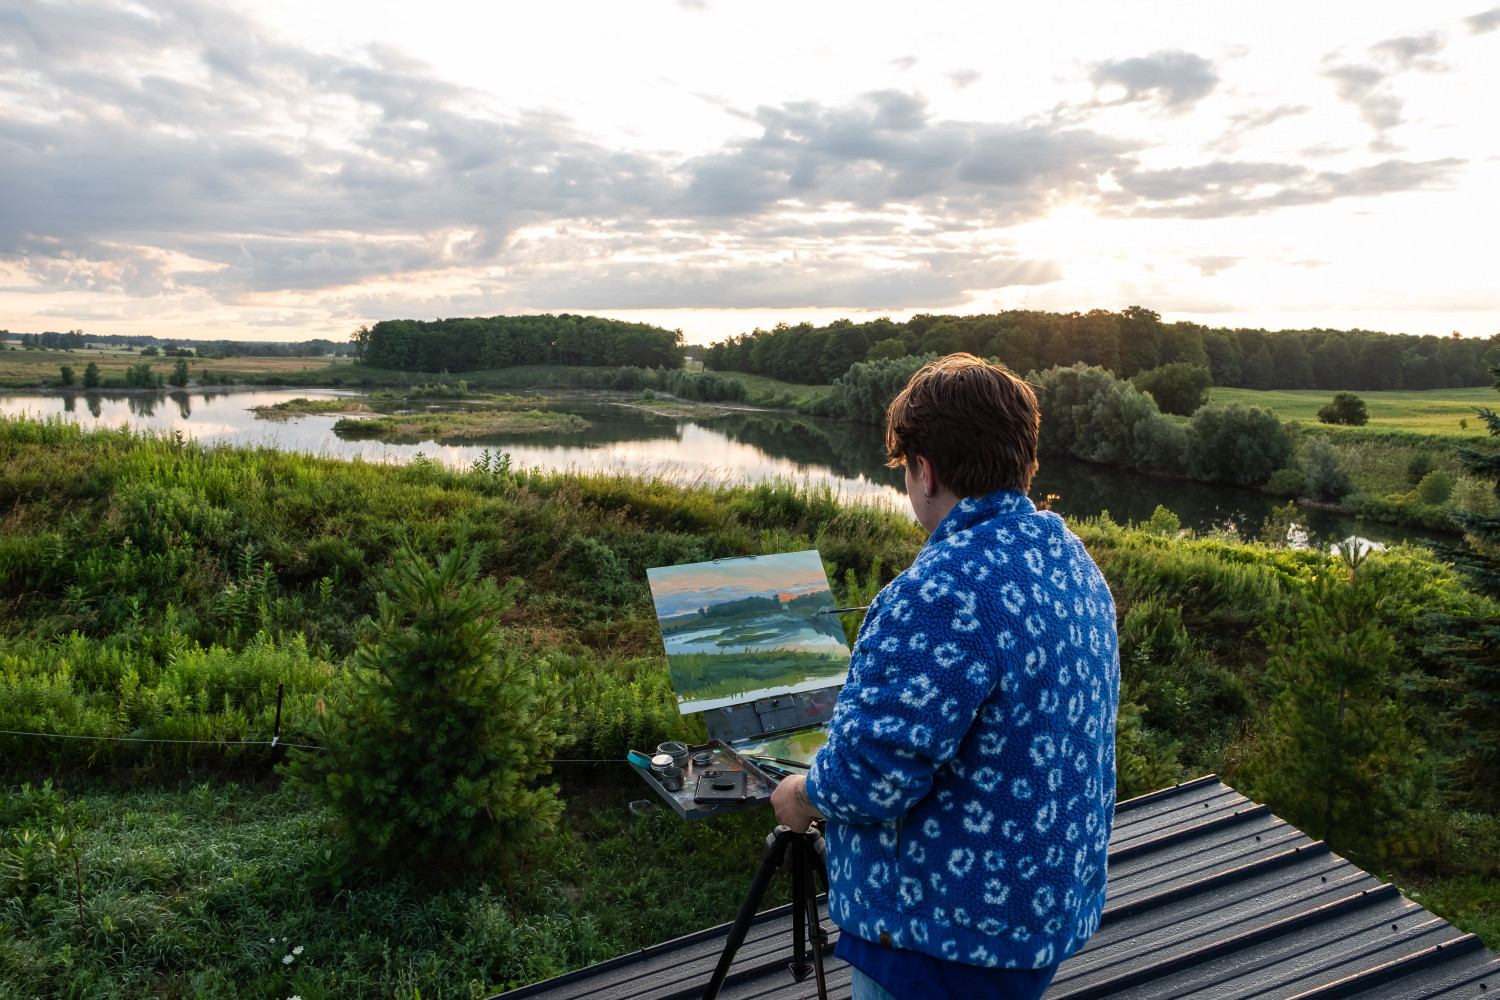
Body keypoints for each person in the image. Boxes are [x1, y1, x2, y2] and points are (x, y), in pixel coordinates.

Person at [770, 354, 1120, 1000]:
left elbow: (874, 773)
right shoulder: (1066, 557)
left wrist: (802, 795)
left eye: (906, 470)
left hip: (941, 943)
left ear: (924, 472)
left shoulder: (940, 592)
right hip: (1037, 914)